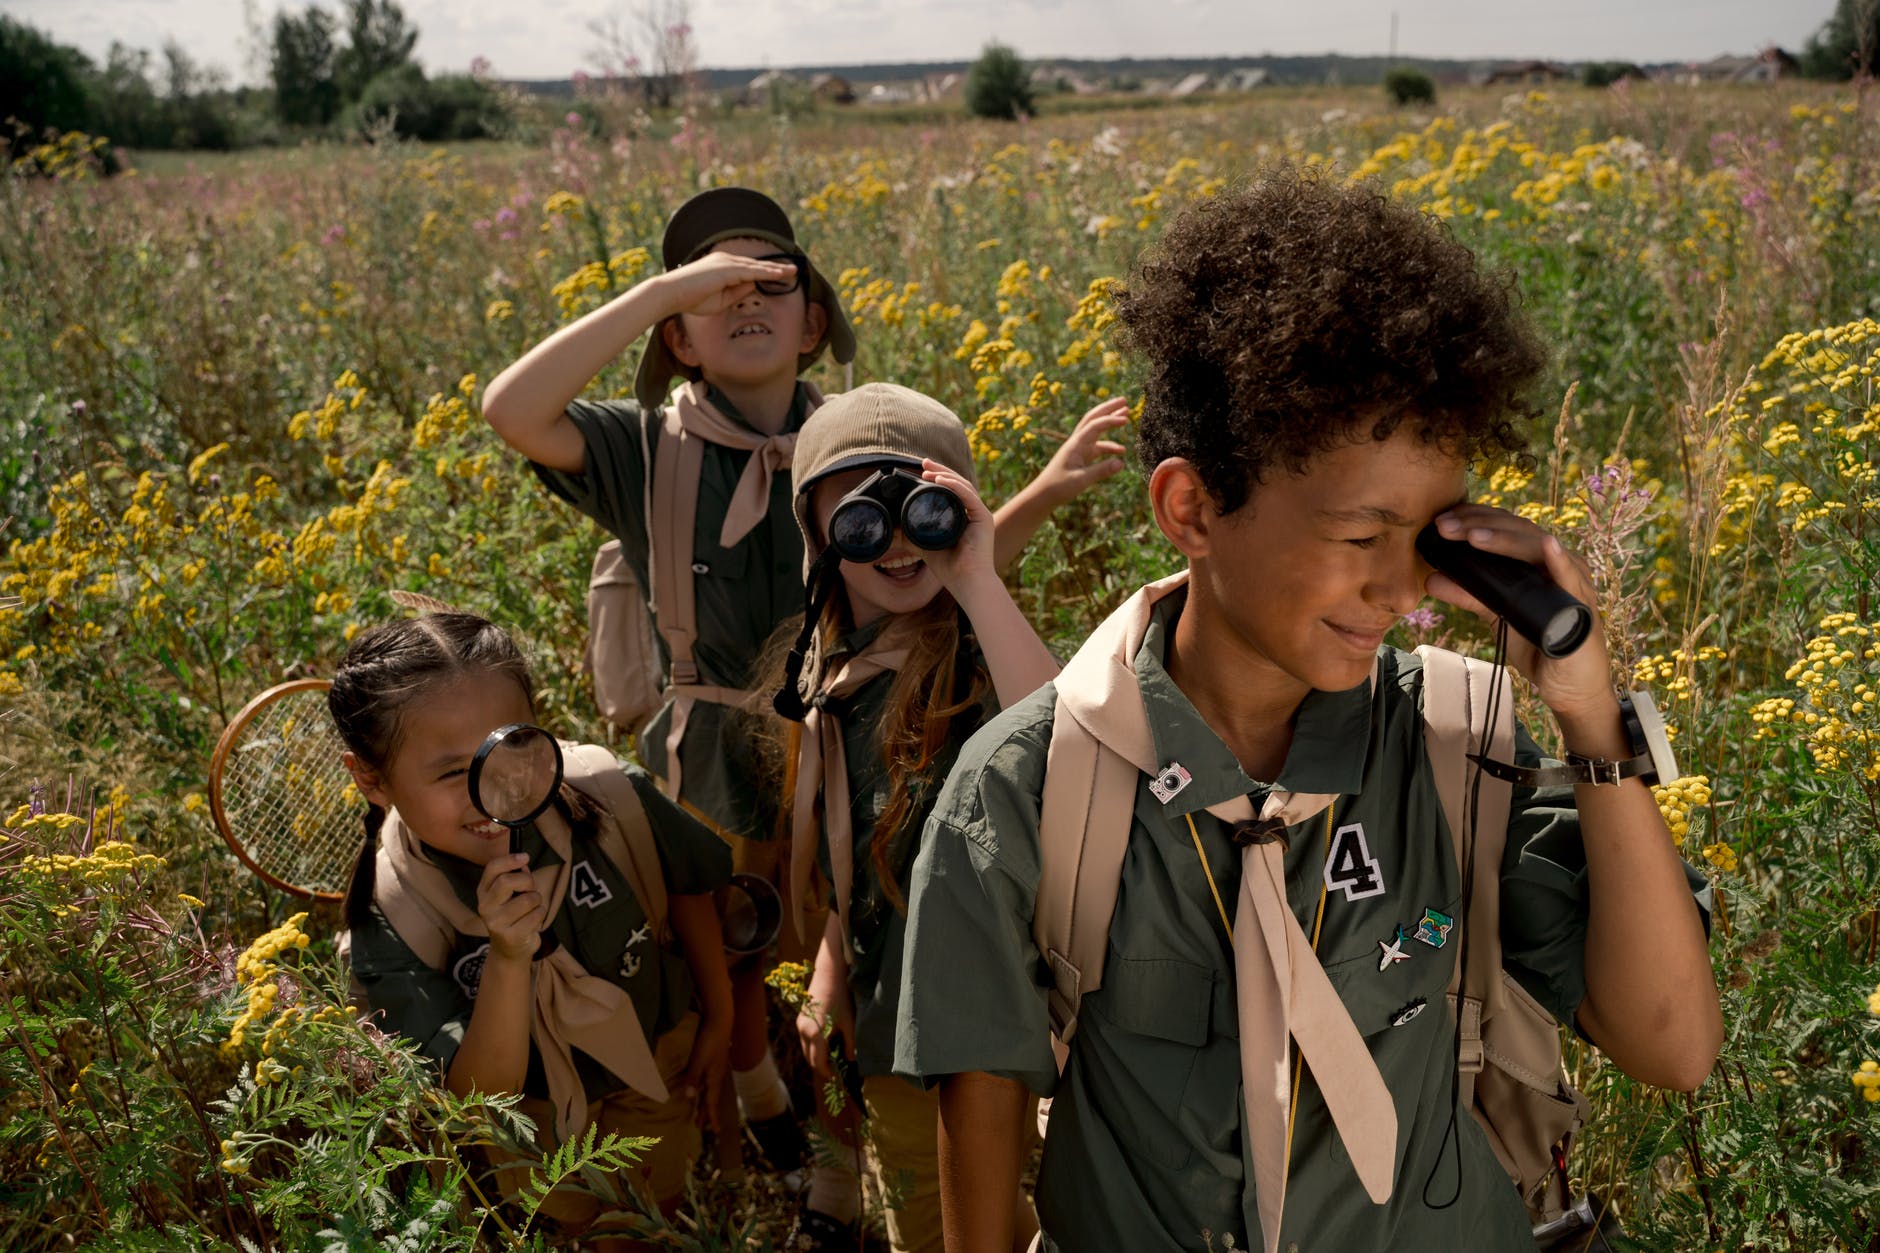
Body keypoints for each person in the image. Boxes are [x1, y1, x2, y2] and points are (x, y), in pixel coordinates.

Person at [891, 168, 1724, 1252]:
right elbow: (981, 1150)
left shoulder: (1452, 746)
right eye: (1360, 535)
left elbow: (1670, 1045)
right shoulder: (1024, 786)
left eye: (1428, 538)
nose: (1401, 587)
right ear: (1190, 508)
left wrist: (1587, 714)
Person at [481, 185, 1129, 1167]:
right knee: (728, 958)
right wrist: (663, 291)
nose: (742, 295)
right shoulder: (647, 445)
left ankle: (836, 1142)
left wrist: (1038, 492)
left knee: (850, 937)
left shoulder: (852, 439)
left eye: (768, 281)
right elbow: (510, 407)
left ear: (814, 320)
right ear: (678, 338)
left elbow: (938, 571)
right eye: (714, 288)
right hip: (710, 751)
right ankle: (754, 1120)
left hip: (851, 725)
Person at [334, 611, 734, 1246]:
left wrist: (720, 1015)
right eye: (448, 772)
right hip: (536, 1118)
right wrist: (510, 956)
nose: (495, 785)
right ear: (371, 780)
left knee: (657, 1215)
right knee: (585, 1232)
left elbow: (685, 884)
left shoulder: (609, 798)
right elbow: (478, 1099)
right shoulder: (393, 915)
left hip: (656, 1058)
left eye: (511, 744)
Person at [773, 383, 1057, 1252]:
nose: (896, 540)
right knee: (928, 1222)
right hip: (893, 1019)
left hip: (1006, 1018)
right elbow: (847, 845)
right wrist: (828, 964)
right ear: (819, 536)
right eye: (862, 516)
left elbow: (1063, 742)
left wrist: (973, 572)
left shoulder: (977, 646)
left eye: (920, 506)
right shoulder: (828, 675)